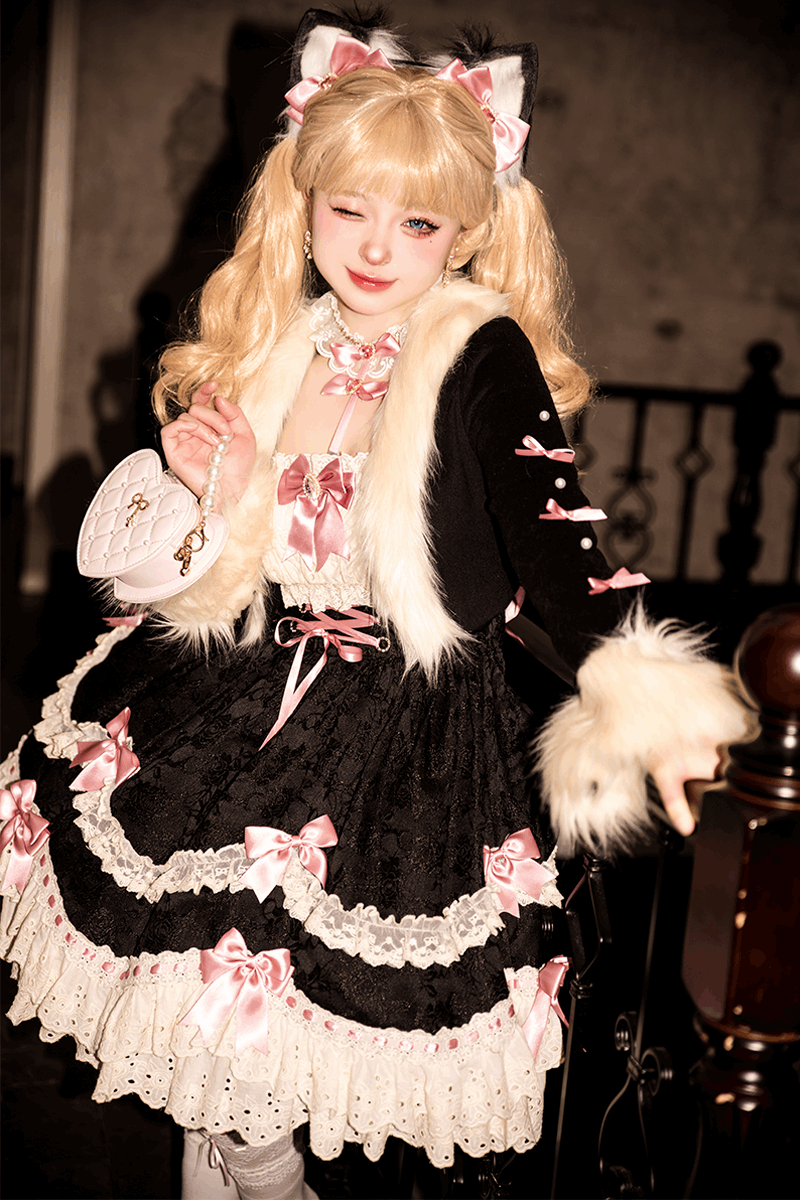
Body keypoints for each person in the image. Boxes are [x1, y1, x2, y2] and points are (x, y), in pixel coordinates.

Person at [0, 11, 750, 1200]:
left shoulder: (478, 351)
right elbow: (224, 571)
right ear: (302, 203)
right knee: (202, 1036)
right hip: (243, 690)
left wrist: (650, 703)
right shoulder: (282, 338)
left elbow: (558, 541)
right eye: (349, 208)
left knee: (249, 1049)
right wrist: (214, 493)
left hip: (405, 734)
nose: (375, 247)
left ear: (466, 231)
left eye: (417, 222)